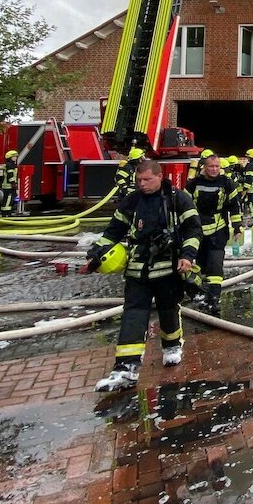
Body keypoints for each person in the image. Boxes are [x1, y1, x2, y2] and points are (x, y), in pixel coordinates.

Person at [87, 159, 202, 391]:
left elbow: (193, 229)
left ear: (160, 176)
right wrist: (95, 255)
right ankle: (125, 369)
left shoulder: (178, 199)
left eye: (147, 179)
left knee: (168, 309)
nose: (142, 184)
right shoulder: (132, 201)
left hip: (168, 269)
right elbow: (112, 232)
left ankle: (172, 346)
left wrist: (187, 256)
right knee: (133, 315)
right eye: (139, 180)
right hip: (137, 270)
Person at [185, 154, 241, 316]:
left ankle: (214, 299)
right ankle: (203, 294)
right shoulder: (194, 184)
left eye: (217, 166)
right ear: (204, 167)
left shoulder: (227, 183)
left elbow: (234, 207)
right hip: (198, 232)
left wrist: (237, 227)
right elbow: (183, 205)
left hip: (218, 231)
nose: (214, 169)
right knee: (201, 265)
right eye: (211, 166)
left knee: (215, 265)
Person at [0, 149, 18, 216]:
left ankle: (7, 212)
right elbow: (10, 175)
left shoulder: (11, 164)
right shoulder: (10, 165)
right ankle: (6, 213)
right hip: (9, 185)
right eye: (14, 156)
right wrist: (13, 183)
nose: (15, 158)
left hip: (9, 185)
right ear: (10, 157)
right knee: (8, 199)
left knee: (9, 199)